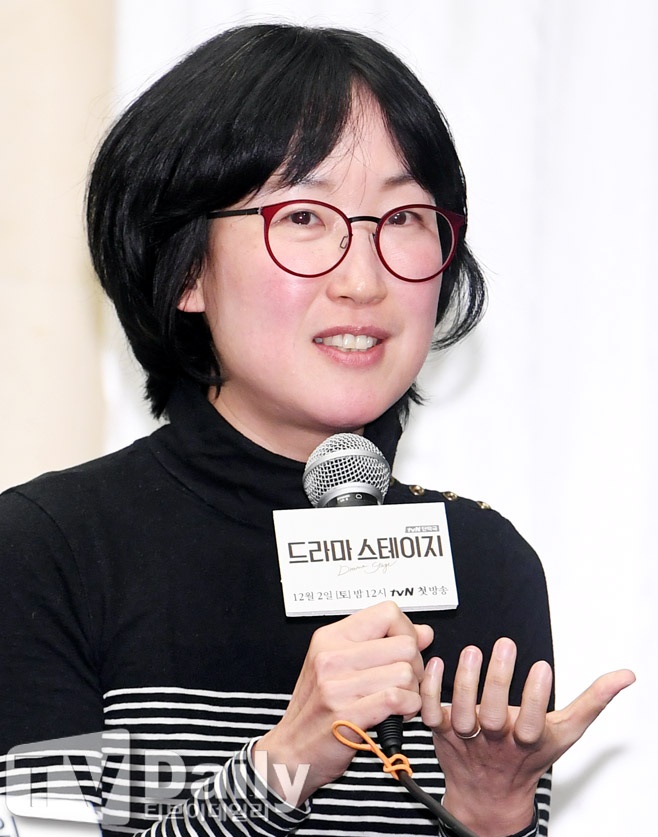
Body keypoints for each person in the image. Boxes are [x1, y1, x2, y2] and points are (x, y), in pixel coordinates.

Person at [0, 22, 633, 837]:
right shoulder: (48, 551)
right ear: (186, 267)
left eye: (403, 217)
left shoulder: (482, 563)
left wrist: (494, 818)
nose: (363, 279)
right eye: (303, 215)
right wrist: (285, 764)